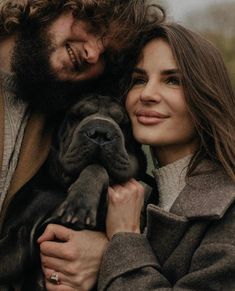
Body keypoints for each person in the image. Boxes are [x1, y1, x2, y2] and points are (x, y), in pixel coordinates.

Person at [39, 22, 235, 290]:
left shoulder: (228, 211)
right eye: (139, 80)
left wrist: (121, 241)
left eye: (172, 80)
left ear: (205, 95)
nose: (147, 94)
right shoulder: (137, 197)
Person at [0, 0, 165, 290]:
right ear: (46, 5)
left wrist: (105, 249)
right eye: (93, 24)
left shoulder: (60, 115)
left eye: (109, 56)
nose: (92, 52)